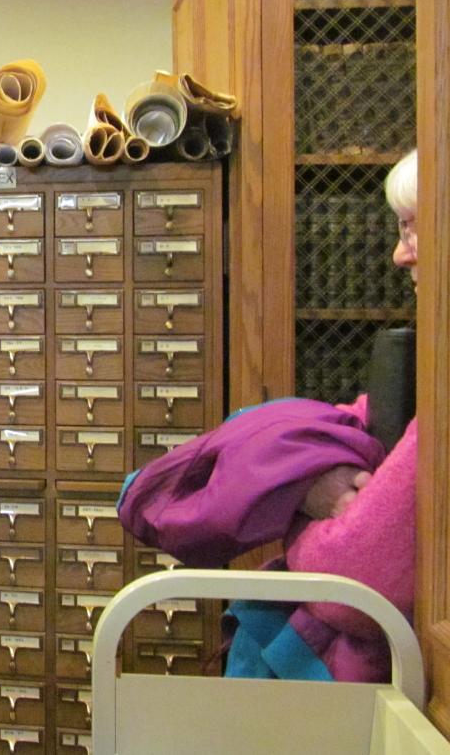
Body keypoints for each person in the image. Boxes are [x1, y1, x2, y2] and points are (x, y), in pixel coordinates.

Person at [119, 149, 418, 682]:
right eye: (400, 228)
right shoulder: (422, 380)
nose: (399, 255)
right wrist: (306, 484)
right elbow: (324, 431)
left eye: (415, 228)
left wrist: (296, 516)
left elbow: (354, 589)